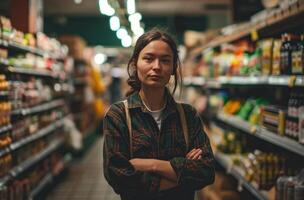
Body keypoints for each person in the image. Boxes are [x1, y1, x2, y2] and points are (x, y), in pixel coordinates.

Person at [103, 28, 215, 200]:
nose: (156, 66)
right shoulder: (119, 115)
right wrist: (182, 173)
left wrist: (152, 166)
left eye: (165, 60)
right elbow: (119, 177)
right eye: (148, 58)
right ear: (135, 64)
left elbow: (206, 171)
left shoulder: (188, 115)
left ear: (172, 68)